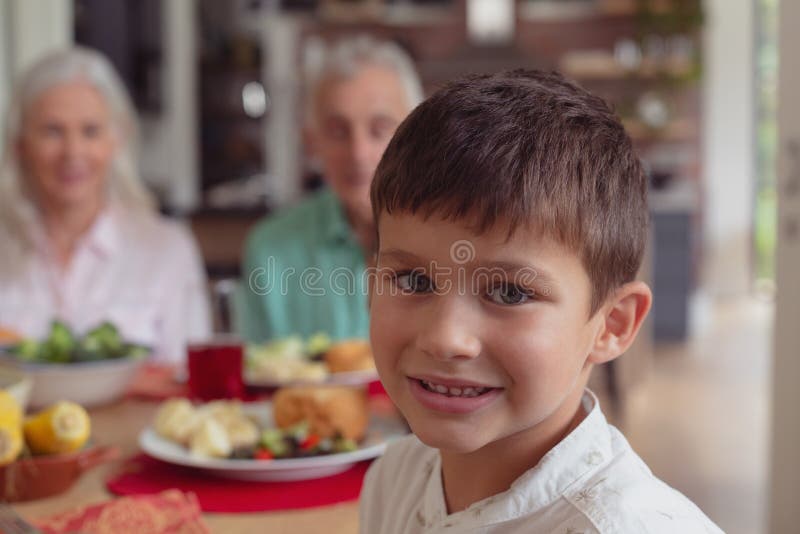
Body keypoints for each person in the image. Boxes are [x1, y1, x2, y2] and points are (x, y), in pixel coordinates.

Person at [360, 70, 723, 533]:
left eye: (510, 292)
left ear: (611, 324)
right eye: (413, 280)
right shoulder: (392, 480)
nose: (445, 338)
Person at [0, 47, 210, 363]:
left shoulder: (167, 249)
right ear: (20, 146)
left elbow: (189, 378)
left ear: (117, 141)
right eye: (52, 132)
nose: (73, 153)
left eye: (91, 131)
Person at [240, 35, 423, 342]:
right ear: (312, 143)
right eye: (338, 132)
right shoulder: (271, 249)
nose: (359, 152)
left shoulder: (455, 241)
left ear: (416, 135)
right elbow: (257, 374)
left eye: (379, 129)